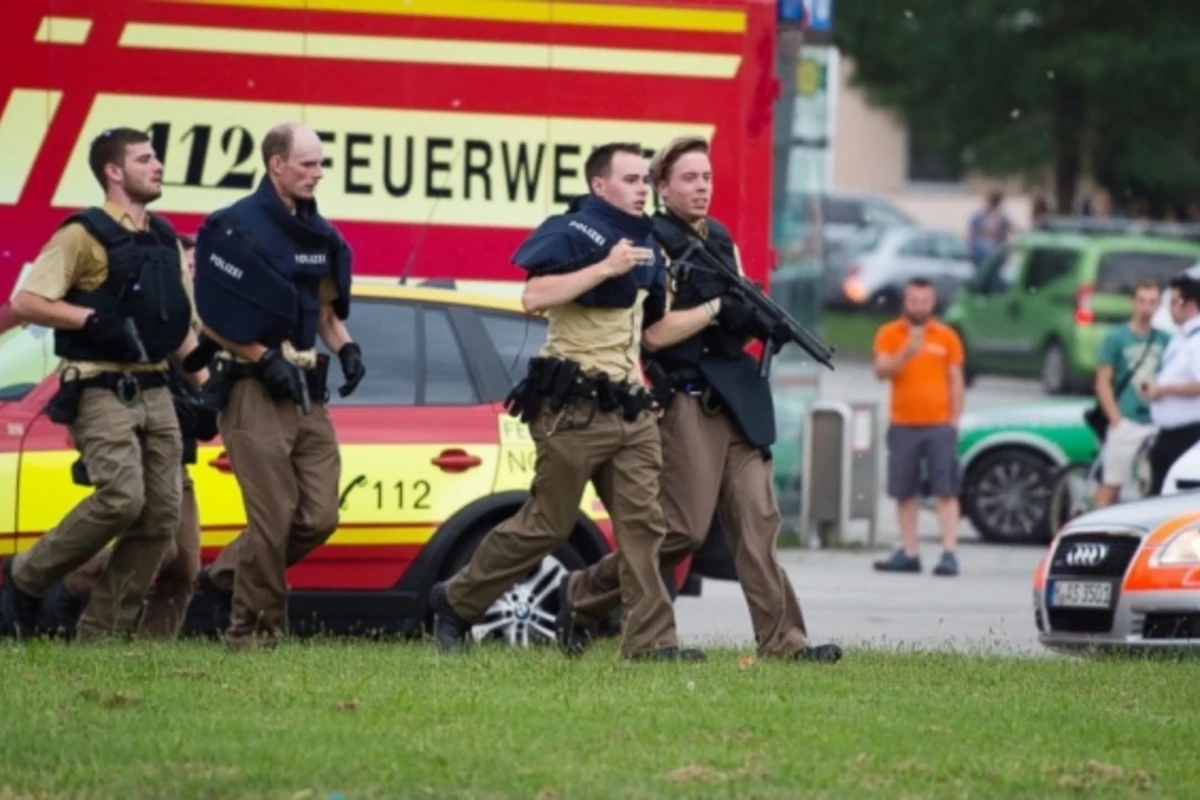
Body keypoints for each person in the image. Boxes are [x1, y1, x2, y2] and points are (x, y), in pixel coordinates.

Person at [554, 135, 842, 663]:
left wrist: (757, 322)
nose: (701, 187)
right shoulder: (653, 242)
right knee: (680, 529)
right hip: (687, 400)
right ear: (662, 188)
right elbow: (656, 334)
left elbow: (735, 308)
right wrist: (715, 310)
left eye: (706, 177)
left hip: (738, 402)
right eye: (689, 178)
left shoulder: (721, 239)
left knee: (758, 527)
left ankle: (785, 642)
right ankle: (582, 593)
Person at [428, 142, 690, 662]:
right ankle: (456, 601)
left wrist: (716, 311)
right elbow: (533, 296)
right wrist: (604, 268)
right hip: (573, 409)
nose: (643, 188)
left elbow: (649, 331)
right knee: (547, 524)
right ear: (600, 185)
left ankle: (651, 644)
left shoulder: (651, 246)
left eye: (645, 180)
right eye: (632, 179)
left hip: (630, 411)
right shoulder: (571, 230)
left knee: (645, 526)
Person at [0, 127, 202, 640]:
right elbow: (27, 302)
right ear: (113, 172)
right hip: (98, 387)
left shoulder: (164, 239)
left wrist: (206, 383)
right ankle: (24, 577)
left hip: (157, 390)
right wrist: (88, 320)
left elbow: (177, 330)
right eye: (144, 158)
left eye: (156, 157)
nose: (157, 165)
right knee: (122, 497)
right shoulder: (81, 234)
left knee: (160, 520)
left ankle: (101, 636)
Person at [189, 122, 364, 650]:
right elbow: (210, 317)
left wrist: (347, 347)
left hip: (307, 391)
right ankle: (252, 634)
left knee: (319, 515)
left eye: (321, 163)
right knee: (273, 518)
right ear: (276, 165)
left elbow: (326, 313)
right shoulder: (233, 228)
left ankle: (222, 579)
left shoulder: (319, 235)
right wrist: (261, 357)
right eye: (307, 164)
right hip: (252, 391)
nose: (318, 173)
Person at [45, 236, 215, 639]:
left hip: (178, 454)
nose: (188, 277)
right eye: (182, 269)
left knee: (185, 565)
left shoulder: (197, 327)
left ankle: (148, 653)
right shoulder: (143, 318)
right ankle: (71, 587)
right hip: (137, 440)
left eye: (192, 271)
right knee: (161, 549)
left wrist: (208, 406)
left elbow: (206, 388)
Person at [872, 278, 964, 576]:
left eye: (925, 302)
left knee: (945, 489)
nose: (920, 307)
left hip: (939, 424)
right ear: (905, 302)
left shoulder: (946, 336)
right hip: (903, 424)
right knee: (904, 490)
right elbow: (881, 371)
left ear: (933, 303)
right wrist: (907, 352)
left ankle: (949, 551)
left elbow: (955, 378)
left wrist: (954, 419)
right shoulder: (889, 333)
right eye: (914, 301)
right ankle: (909, 551)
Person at [1091, 281, 1169, 507]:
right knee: (1112, 483)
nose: (1146, 308)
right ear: (1133, 303)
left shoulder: (1164, 339)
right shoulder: (1116, 337)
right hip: (1127, 418)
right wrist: (1115, 417)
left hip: (1155, 420)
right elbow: (1103, 381)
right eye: (1142, 301)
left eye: (1152, 302)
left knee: (1153, 484)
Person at [1143, 274, 1200, 496]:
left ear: (1189, 304)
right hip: (1169, 433)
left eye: (1174, 302)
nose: (1169, 309)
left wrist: (1163, 389)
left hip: (1188, 434)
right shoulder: (1182, 336)